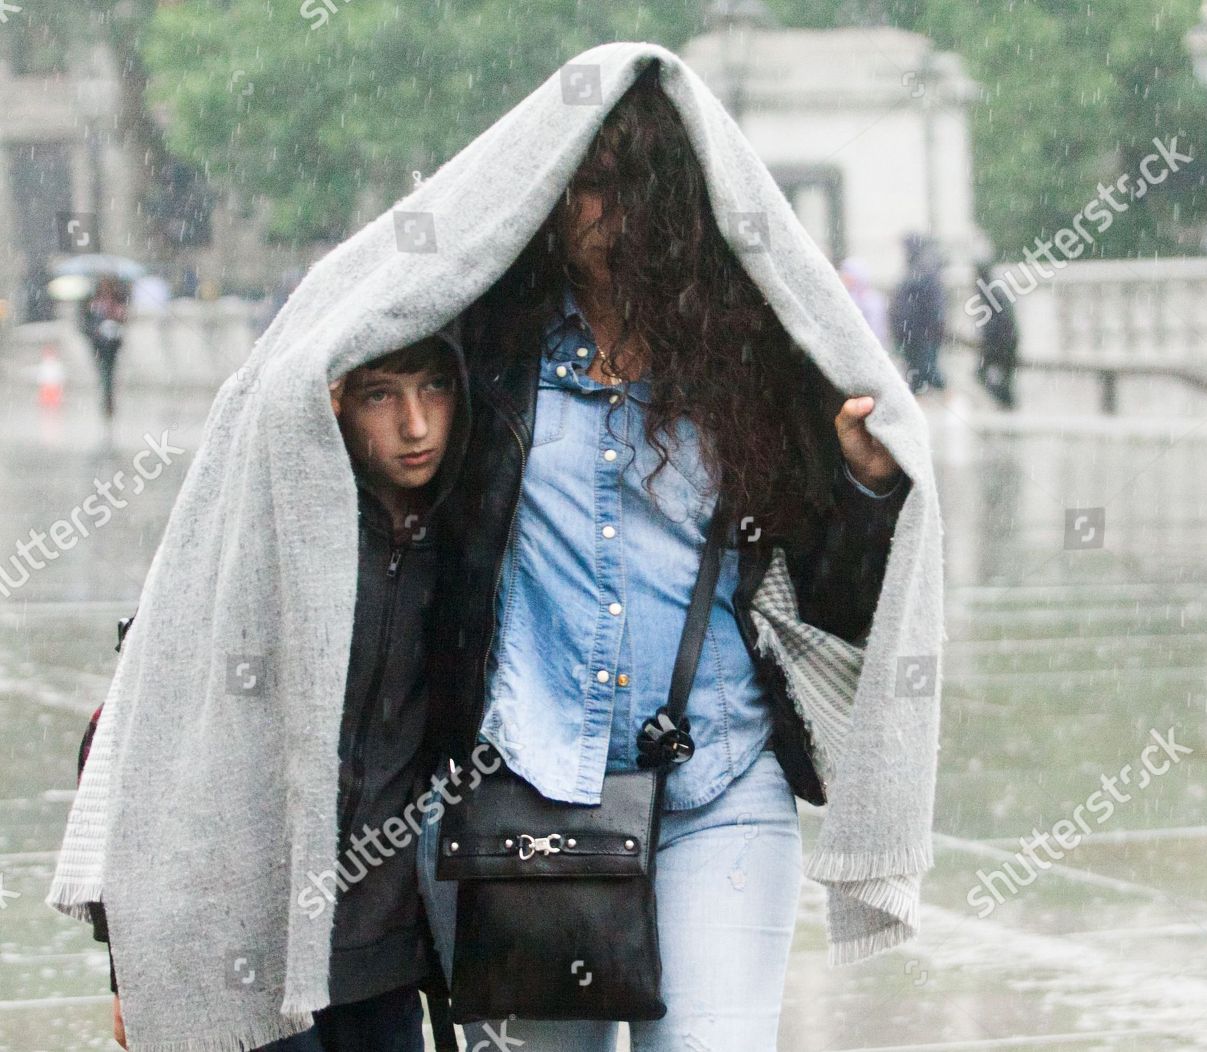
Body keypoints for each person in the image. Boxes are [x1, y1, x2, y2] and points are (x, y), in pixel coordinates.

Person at [415, 63, 911, 1052]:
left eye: (627, 182)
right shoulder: (489, 351)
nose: (601, 210)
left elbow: (834, 602)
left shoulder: (751, 361)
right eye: (583, 181)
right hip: (526, 794)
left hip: (719, 789)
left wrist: (864, 487)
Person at [93, 333, 472, 1051]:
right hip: (243, 945)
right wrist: (130, 966)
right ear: (334, 403)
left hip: (381, 955)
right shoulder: (261, 532)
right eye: (381, 394)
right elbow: (141, 743)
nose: (415, 425)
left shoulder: (470, 539)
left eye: (434, 389)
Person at [889, 233, 947, 393]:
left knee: (925, 370)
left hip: (921, 332)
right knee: (917, 370)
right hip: (912, 332)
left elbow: (932, 305)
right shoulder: (915, 268)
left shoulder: (923, 269)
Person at [973, 257, 1020, 410]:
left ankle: (1006, 403)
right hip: (1006, 344)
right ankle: (1007, 404)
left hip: (1000, 346)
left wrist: (989, 347)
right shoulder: (995, 290)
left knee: (981, 374)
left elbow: (996, 325)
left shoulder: (989, 292)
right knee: (1001, 378)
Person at [80, 275, 131, 419]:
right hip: (99, 343)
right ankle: (106, 397)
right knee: (103, 371)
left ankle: (108, 399)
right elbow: (86, 321)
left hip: (112, 343)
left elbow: (123, 319)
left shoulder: (116, 302)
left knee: (109, 371)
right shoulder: (93, 302)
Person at [839, 255, 890, 352]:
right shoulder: (845, 297)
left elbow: (877, 326)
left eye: (848, 276)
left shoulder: (872, 300)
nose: (845, 279)